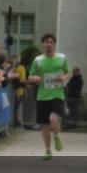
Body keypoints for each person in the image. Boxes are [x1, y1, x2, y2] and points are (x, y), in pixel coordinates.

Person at [28, 33, 69, 161]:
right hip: (42, 96)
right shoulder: (38, 60)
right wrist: (35, 78)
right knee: (44, 125)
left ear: (54, 44)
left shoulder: (62, 58)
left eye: (51, 42)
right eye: (46, 42)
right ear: (43, 44)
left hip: (57, 95)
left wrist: (63, 77)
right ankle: (47, 150)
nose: (49, 44)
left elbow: (68, 72)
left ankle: (56, 135)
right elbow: (30, 76)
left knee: (53, 119)